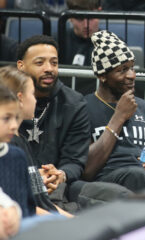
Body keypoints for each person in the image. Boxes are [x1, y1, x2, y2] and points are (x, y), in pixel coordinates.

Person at [83, 30, 145, 192]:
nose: (132, 75)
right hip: (108, 178)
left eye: (132, 68)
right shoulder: (83, 108)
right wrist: (119, 117)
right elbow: (87, 170)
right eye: (122, 70)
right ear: (102, 75)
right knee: (136, 175)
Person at [15, 35, 91, 210]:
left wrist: (60, 175)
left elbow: (75, 160)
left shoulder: (74, 103)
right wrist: (33, 177)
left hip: (58, 184)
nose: (49, 69)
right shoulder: (6, 101)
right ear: (21, 66)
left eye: (54, 63)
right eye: (40, 63)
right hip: (14, 181)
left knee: (110, 194)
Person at [0, 84, 36, 218]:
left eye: (15, 118)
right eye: (6, 118)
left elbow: (29, 206)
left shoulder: (18, 156)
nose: (14, 125)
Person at [58, 0, 101, 95]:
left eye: (91, 18)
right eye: (79, 19)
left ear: (99, 12)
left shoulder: (112, 43)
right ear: (70, 17)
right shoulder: (57, 41)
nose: (86, 25)